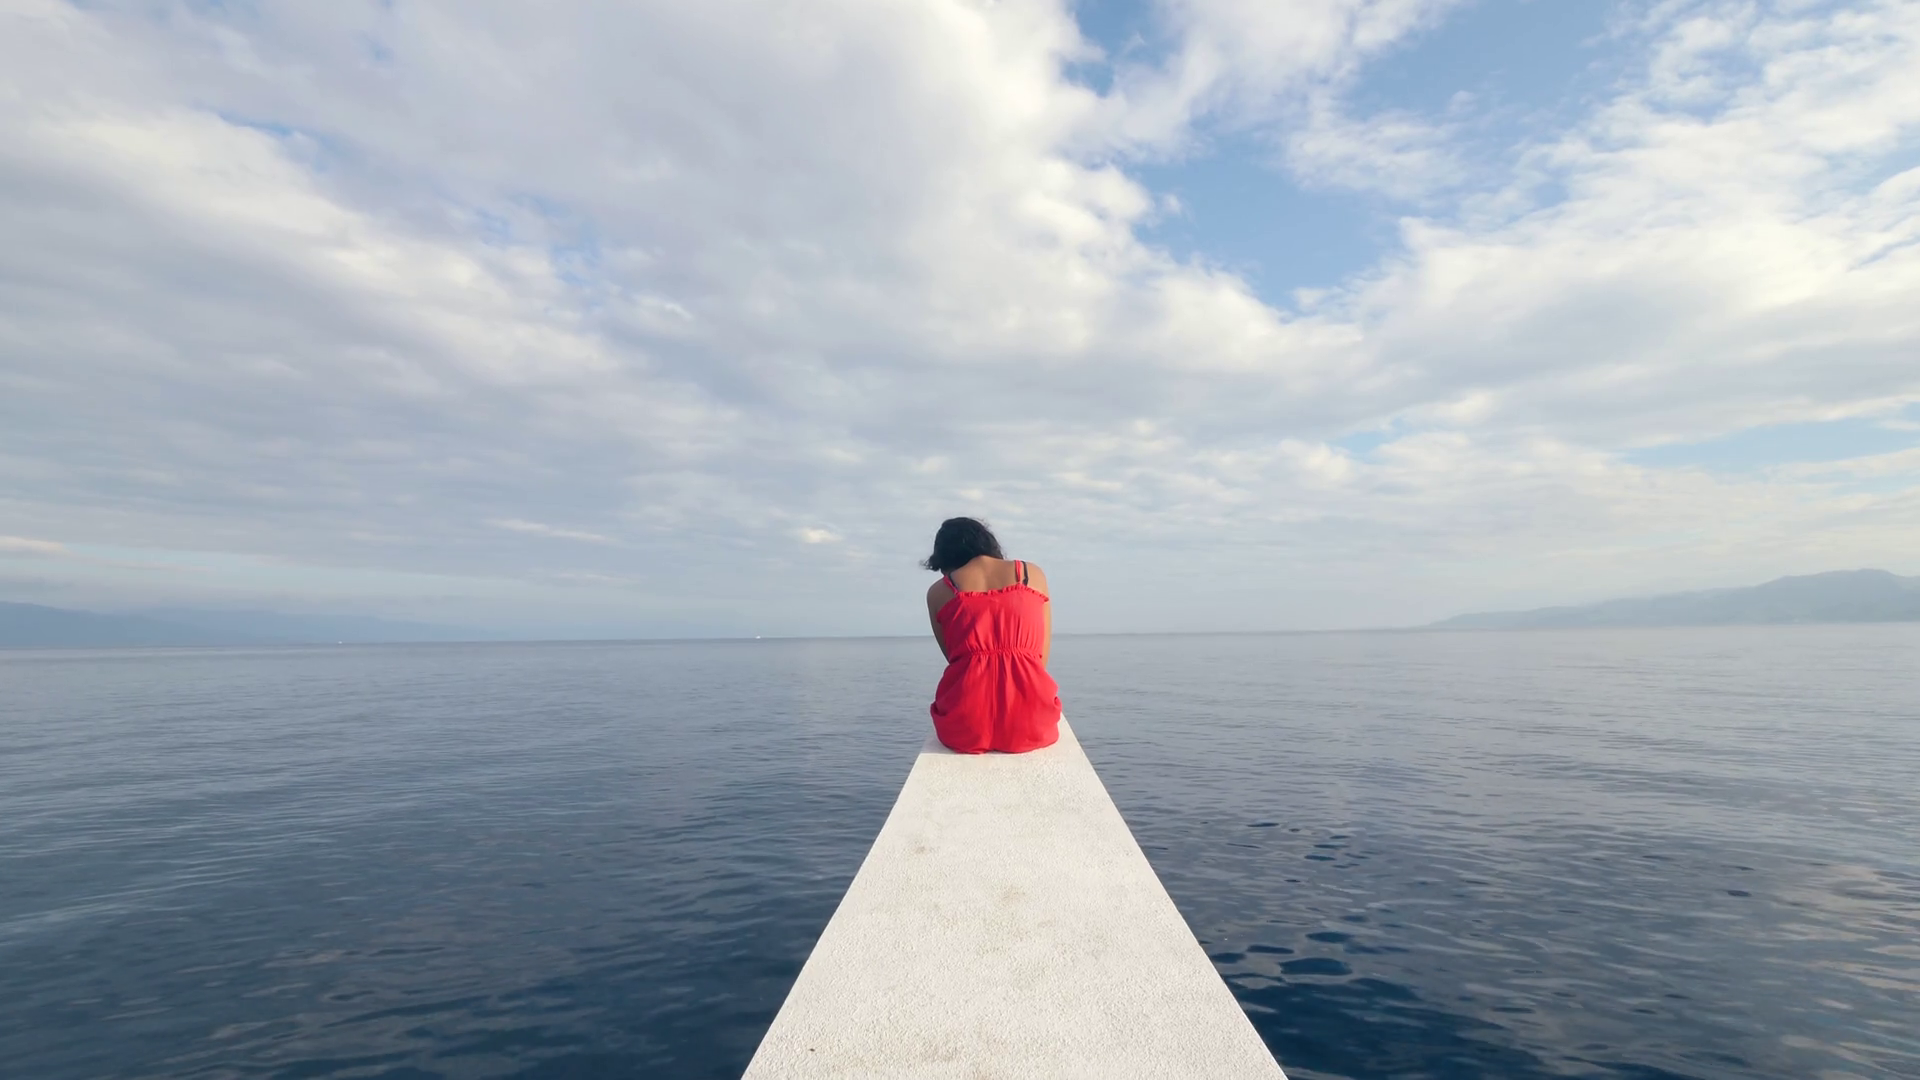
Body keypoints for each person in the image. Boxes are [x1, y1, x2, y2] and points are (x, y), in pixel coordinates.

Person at [923, 517, 1062, 754]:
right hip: (1032, 723)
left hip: (964, 726)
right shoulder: (1032, 574)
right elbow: (1041, 659)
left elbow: (955, 659)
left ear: (945, 558)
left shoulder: (938, 592)